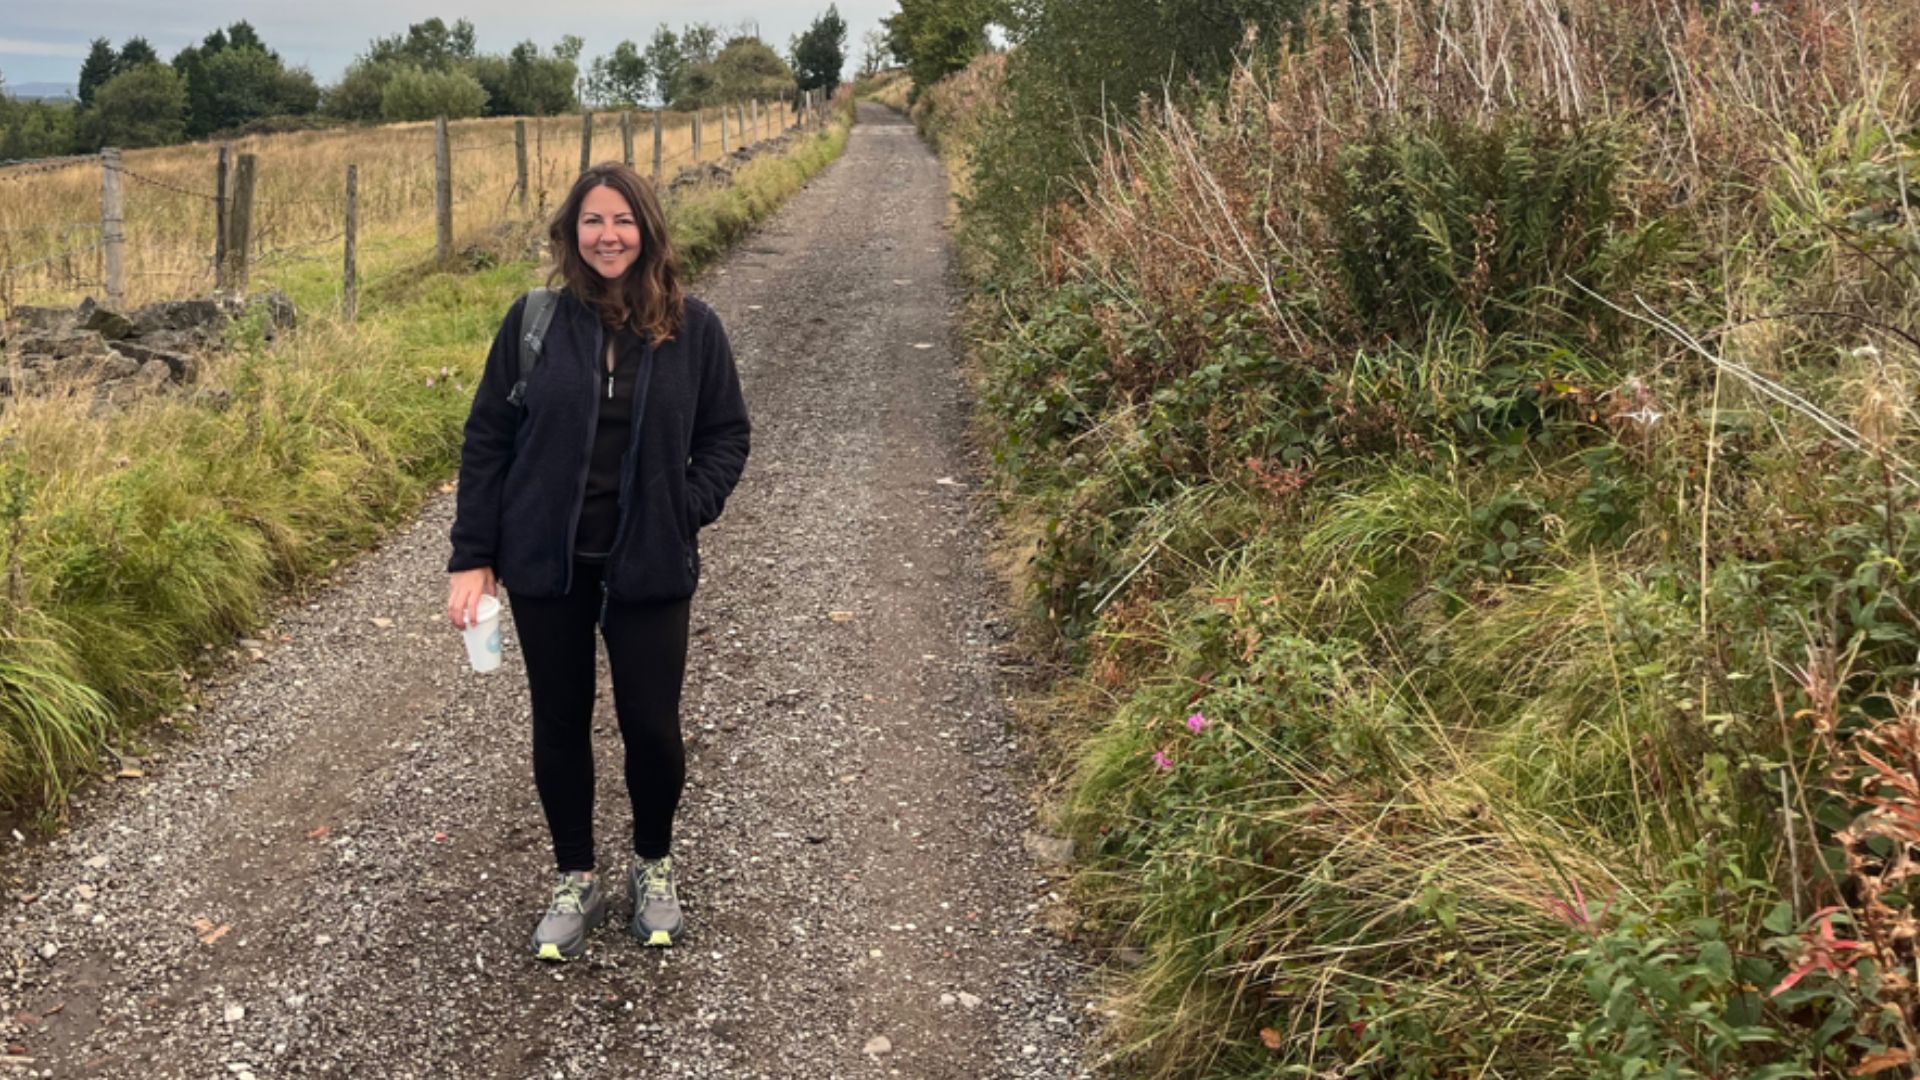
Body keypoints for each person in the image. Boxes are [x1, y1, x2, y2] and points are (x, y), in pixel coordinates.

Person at [445, 162, 750, 962]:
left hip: (650, 564)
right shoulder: (534, 323)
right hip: (547, 566)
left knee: (651, 726)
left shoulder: (695, 328)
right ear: (570, 233)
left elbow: (727, 435)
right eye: (591, 221)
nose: (607, 235)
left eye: (621, 220)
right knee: (559, 720)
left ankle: (654, 864)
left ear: (646, 229)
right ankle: (574, 874)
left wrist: (683, 508)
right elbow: (487, 441)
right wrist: (473, 556)